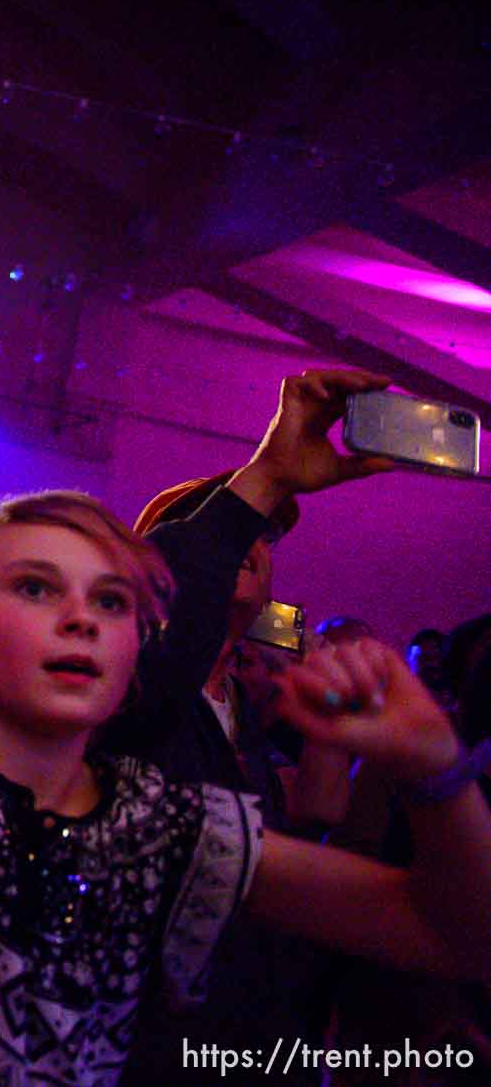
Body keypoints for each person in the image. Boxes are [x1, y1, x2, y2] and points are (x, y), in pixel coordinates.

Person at [0, 354, 491, 1085]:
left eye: (109, 601)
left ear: (132, 648)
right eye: (36, 588)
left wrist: (435, 773)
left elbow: (447, 933)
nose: (80, 617)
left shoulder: (163, 832)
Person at [106, 369, 396, 1085]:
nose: (248, 542)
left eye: (262, 534)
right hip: (145, 1037)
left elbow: (305, 828)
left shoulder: (241, 705)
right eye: (225, 525)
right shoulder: (129, 695)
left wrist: (341, 725)